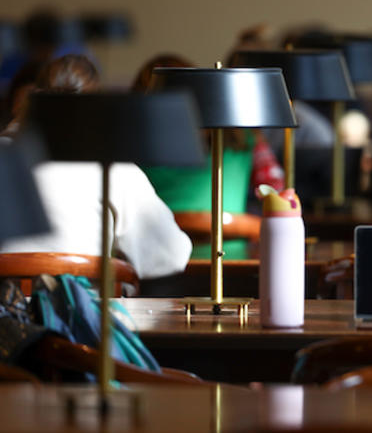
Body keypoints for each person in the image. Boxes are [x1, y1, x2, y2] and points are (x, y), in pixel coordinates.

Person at [0, 55, 192, 280]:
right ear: (97, 104)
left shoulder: (6, 154)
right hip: (84, 311)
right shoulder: (114, 167)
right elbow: (171, 255)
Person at [132, 53, 284, 259]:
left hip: (153, 260)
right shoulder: (244, 136)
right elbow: (275, 191)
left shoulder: (136, 141)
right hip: (233, 260)